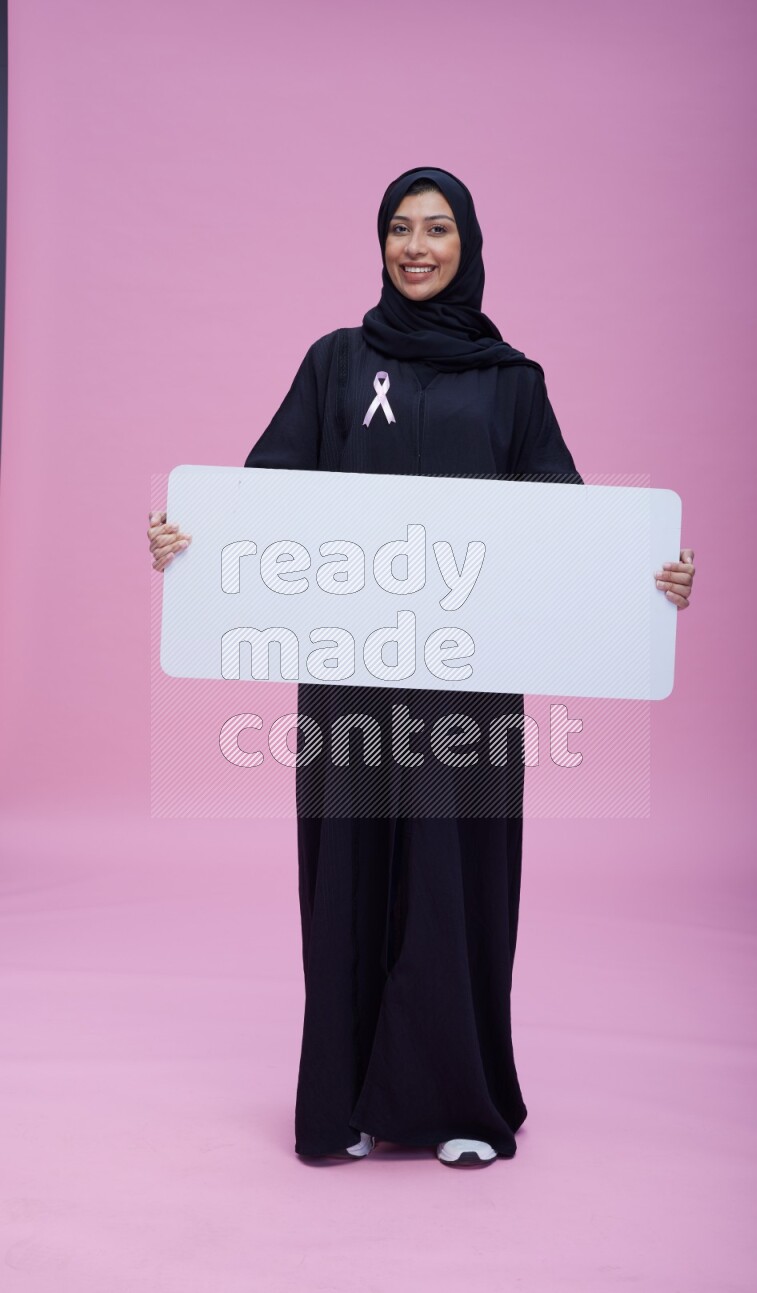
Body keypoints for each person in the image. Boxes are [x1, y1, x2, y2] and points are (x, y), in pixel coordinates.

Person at [148, 167, 696, 1168]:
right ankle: (346, 1105)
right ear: (378, 242)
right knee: (347, 879)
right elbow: (265, 499)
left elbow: (568, 528)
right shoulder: (336, 364)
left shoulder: (512, 383)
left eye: (435, 229)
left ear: (466, 243)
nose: (414, 246)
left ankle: (456, 1106)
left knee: (454, 883)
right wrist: (193, 543)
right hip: (349, 683)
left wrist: (645, 579)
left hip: (467, 690)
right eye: (397, 228)